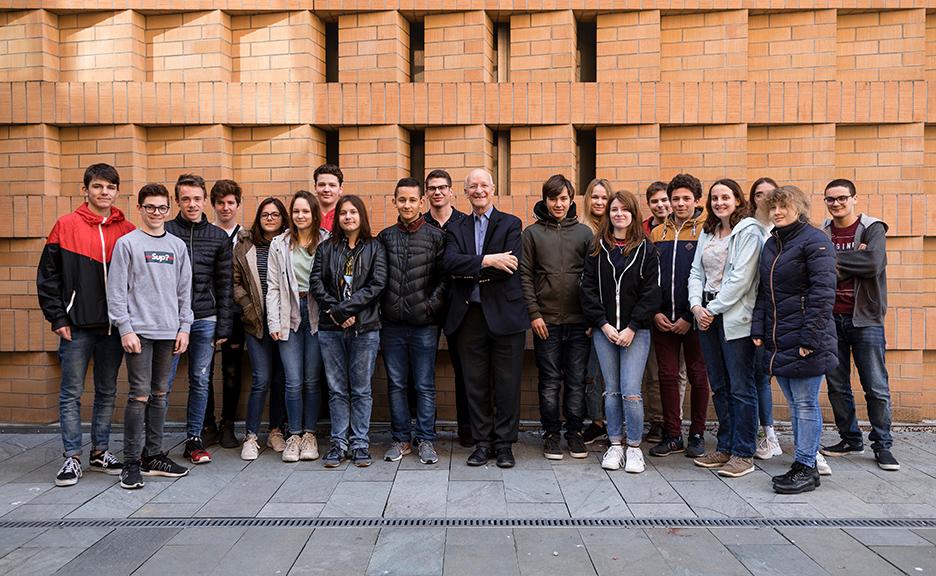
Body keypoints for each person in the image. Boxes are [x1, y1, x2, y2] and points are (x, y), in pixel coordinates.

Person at [37, 163, 135, 486]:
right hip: (76, 326)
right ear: (85, 190)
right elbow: (48, 277)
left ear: (117, 192)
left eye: (110, 187)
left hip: (113, 328)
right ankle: (72, 457)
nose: (104, 192)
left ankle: (100, 451)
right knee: (71, 392)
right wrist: (57, 317)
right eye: (98, 186)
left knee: (107, 390)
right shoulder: (65, 225)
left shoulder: (128, 230)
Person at [752, 185, 838, 494]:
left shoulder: (815, 241)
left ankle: (806, 466)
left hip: (804, 338)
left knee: (804, 404)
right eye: (773, 207)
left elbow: (822, 294)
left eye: (783, 206)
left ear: (798, 208)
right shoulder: (772, 243)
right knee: (795, 403)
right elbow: (765, 292)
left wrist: (810, 339)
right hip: (779, 339)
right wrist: (759, 330)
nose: (777, 212)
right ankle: (804, 465)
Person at [107, 183, 193, 489]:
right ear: (140, 208)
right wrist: (125, 328)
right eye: (150, 207)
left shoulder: (177, 246)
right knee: (139, 395)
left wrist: (184, 327)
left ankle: (153, 455)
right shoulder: (127, 244)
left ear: (169, 209)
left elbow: (184, 291)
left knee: (160, 394)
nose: (157, 212)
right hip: (139, 333)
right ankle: (131, 462)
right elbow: (116, 291)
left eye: (162, 207)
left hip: (169, 331)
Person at [443, 168, 529, 468]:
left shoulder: (511, 223)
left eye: (483, 185)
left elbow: (511, 266)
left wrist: (470, 268)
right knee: (475, 383)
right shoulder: (456, 227)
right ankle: (482, 443)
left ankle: (504, 445)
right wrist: (488, 260)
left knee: (507, 384)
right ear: (465, 192)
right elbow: (449, 263)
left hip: (506, 315)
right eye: (472, 186)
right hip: (469, 316)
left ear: (493, 189)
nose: (478, 190)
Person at [820, 179, 899, 471]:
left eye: (842, 197)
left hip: (866, 318)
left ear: (854, 198)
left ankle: (883, 444)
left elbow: (873, 264)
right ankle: (850, 438)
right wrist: (855, 257)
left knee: (876, 386)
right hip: (830, 318)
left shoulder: (872, 228)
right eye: (830, 199)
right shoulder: (822, 231)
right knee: (837, 385)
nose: (836, 203)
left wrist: (833, 260)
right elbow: (815, 267)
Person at [581, 190, 661, 473]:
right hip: (604, 330)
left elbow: (652, 294)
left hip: (636, 332)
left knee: (630, 391)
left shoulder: (646, 249)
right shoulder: (597, 248)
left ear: (633, 214)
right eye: (614, 209)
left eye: (625, 210)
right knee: (612, 391)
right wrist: (603, 324)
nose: (619, 214)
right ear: (608, 214)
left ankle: (635, 448)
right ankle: (615, 444)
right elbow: (587, 291)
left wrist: (632, 327)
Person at [688, 179, 762, 478]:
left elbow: (742, 279)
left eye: (725, 197)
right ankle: (725, 446)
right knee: (719, 385)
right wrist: (696, 306)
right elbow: (696, 272)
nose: (719, 203)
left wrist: (712, 309)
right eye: (715, 198)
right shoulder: (708, 231)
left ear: (738, 200)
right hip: (706, 314)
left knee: (741, 387)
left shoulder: (749, 231)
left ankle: (743, 453)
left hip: (734, 317)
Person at [521, 174, 593, 460]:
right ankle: (551, 434)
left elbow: (593, 279)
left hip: (579, 324)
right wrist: (534, 314)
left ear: (572, 199)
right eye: (553, 199)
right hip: (546, 322)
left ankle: (574, 433)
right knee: (549, 381)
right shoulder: (532, 233)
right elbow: (525, 276)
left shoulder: (584, 234)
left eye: (564, 198)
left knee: (576, 380)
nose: (558, 204)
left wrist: (591, 318)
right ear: (545, 200)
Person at [312, 195, 387, 468]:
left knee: (361, 389)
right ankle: (338, 443)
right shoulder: (326, 248)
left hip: (365, 328)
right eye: (343, 213)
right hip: (331, 329)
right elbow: (316, 284)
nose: (348, 217)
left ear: (361, 216)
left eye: (353, 212)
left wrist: (346, 310)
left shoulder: (375, 247)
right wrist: (338, 313)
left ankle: (359, 444)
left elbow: (377, 285)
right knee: (336, 389)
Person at [164, 173, 233, 466]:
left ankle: (194, 438)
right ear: (176, 201)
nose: (192, 204)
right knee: (163, 382)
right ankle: (151, 444)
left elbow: (225, 283)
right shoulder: (165, 232)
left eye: (196, 199)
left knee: (201, 380)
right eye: (185, 199)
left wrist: (224, 324)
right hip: (169, 321)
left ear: (205, 200)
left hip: (206, 318)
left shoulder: (218, 237)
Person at [379, 178, 447, 464]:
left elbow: (445, 279)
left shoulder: (436, 236)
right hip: (391, 325)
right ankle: (401, 439)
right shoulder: (385, 237)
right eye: (401, 200)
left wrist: (430, 307)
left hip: (424, 325)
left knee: (424, 384)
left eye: (412, 200)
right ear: (394, 201)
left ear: (422, 202)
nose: (407, 205)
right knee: (396, 384)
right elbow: (378, 278)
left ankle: (426, 440)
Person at [648, 173, 710, 459]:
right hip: (663, 319)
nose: (680, 203)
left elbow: (708, 276)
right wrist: (655, 311)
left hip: (695, 319)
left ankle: (697, 433)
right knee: (667, 376)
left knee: (698, 375)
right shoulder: (658, 232)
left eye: (686, 198)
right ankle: (673, 435)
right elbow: (650, 278)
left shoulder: (706, 230)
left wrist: (689, 316)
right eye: (676, 199)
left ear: (697, 200)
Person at [268, 191, 329, 463]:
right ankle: (293, 435)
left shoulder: (327, 240)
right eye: (296, 211)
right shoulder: (279, 244)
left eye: (305, 211)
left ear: (314, 214)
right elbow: (272, 286)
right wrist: (273, 321)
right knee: (293, 380)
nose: (300, 216)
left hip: (317, 314)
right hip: (288, 314)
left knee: (312, 379)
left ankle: (310, 434)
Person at [234, 198, 291, 460]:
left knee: (281, 379)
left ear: (283, 218)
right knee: (261, 378)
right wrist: (247, 307)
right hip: (256, 322)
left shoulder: (289, 243)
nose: (270, 218)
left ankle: (276, 431)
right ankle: (251, 436)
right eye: (265, 214)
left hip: (284, 322)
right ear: (258, 218)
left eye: (275, 214)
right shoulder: (245, 245)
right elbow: (235, 281)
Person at [423, 169, 471, 447]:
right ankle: (425, 432)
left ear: (452, 191)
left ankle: (467, 428)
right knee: (422, 372)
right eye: (432, 188)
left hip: (458, 306)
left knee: (464, 371)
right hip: (426, 306)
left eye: (442, 187)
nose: (437, 192)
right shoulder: (420, 223)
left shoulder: (464, 223)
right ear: (426, 194)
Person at [641, 180, 687, 445]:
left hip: (682, 313)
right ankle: (658, 421)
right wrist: (654, 311)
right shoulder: (645, 231)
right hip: (654, 313)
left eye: (664, 200)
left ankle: (674, 421)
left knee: (679, 373)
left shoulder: (687, 229)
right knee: (655, 371)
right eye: (654, 201)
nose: (660, 205)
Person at [203, 179, 245, 449]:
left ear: (238, 204)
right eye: (220, 203)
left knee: (231, 370)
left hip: (237, 313)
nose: (226, 207)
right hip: (207, 310)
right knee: (203, 371)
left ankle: (228, 423)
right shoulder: (205, 233)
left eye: (231, 202)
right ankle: (206, 424)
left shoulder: (245, 237)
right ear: (213, 204)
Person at [748, 177, 783, 461]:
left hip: (783, 314)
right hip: (753, 312)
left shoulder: (787, 230)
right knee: (758, 375)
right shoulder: (748, 228)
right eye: (759, 194)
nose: (765, 198)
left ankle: (808, 447)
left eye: (770, 194)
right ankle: (765, 433)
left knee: (793, 381)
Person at [579, 178, 611, 444]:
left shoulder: (617, 229)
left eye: (604, 197)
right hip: (590, 315)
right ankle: (597, 422)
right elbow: (583, 279)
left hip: (615, 315)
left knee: (610, 373)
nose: (599, 202)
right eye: (595, 197)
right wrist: (591, 318)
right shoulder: (583, 230)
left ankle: (611, 422)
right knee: (591, 373)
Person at [314, 164, 343, 232]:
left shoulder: (347, 216)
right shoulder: (307, 215)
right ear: (315, 188)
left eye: (332, 185)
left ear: (340, 189)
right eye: (322, 185)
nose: (326, 190)